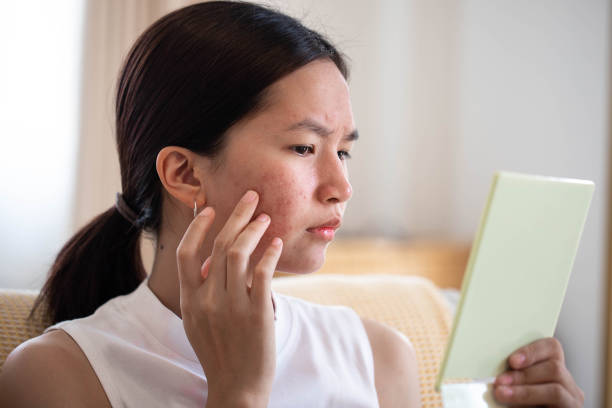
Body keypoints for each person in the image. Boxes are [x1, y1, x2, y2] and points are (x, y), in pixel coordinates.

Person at [0, 2, 584, 407]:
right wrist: (239, 394)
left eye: (345, 152)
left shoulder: (379, 357)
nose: (340, 186)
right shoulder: (58, 376)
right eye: (304, 147)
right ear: (183, 172)